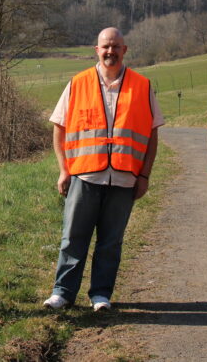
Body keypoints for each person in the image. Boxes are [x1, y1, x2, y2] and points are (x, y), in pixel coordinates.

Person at [43, 27, 164, 312]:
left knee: (111, 242)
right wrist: (64, 170)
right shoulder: (78, 83)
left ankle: (100, 294)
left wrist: (144, 175)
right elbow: (59, 129)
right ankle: (62, 292)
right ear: (97, 50)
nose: (110, 51)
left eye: (115, 46)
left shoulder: (143, 86)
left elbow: (152, 134)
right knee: (73, 238)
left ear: (125, 50)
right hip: (84, 175)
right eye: (105, 47)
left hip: (123, 179)